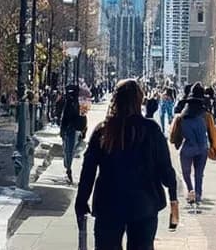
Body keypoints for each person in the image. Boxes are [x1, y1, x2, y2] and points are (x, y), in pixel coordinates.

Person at [75, 79, 179, 250]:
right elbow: (166, 170)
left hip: (108, 204)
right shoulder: (151, 130)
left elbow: (88, 171)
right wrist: (173, 200)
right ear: (139, 100)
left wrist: (81, 201)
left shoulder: (104, 130)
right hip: (144, 205)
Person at [168, 83, 216, 206]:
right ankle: (198, 194)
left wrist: (176, 142)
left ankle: (190, 189)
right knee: (199, 174)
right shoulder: (206, 116)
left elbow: (174, 136)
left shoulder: (181, 116)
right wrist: (214, 147)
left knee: (186, 173)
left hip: (187, 147)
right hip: (202, 147)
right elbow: (213, 133)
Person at [61, 86, 84, 184]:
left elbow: (64, 117)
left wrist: (62, 129)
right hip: (71, 129)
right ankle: (68, 168)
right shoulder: (74, 103)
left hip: (69, 129)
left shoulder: (70, 103)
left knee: (68, 150)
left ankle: (68, 168)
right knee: (69, 150)